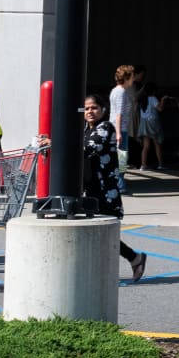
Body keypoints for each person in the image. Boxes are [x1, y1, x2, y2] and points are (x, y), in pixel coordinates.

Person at [37, 95, 147, 283]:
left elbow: (87, 149)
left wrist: (54, 144)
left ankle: (131, 260)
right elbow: (76, 148)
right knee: (100, 235)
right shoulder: (86, 130)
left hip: (105, 190)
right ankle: (131, 260)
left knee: (103, 235)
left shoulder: (105, 128)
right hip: (91, 189)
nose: (90, 111)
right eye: (87, 108)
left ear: (103, 110)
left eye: (94, 108)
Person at [109, 65, 137, 156]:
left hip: (116, 128)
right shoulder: (121, 92)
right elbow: (119, 114)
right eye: (132, 77)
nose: (133, 79)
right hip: (120, 130)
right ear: (126, 78)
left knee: (119, 160)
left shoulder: (115, 90)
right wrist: (118, 133)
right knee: (121, 160)